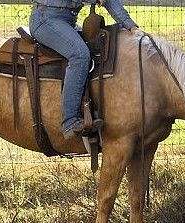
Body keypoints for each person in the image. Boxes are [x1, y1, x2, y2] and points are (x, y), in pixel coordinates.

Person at [30, 0, 141, 139]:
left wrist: (130, 25)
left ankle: (91, 111)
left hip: (67, 21)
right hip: (45, 20)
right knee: (80, 55)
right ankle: (69, 121)